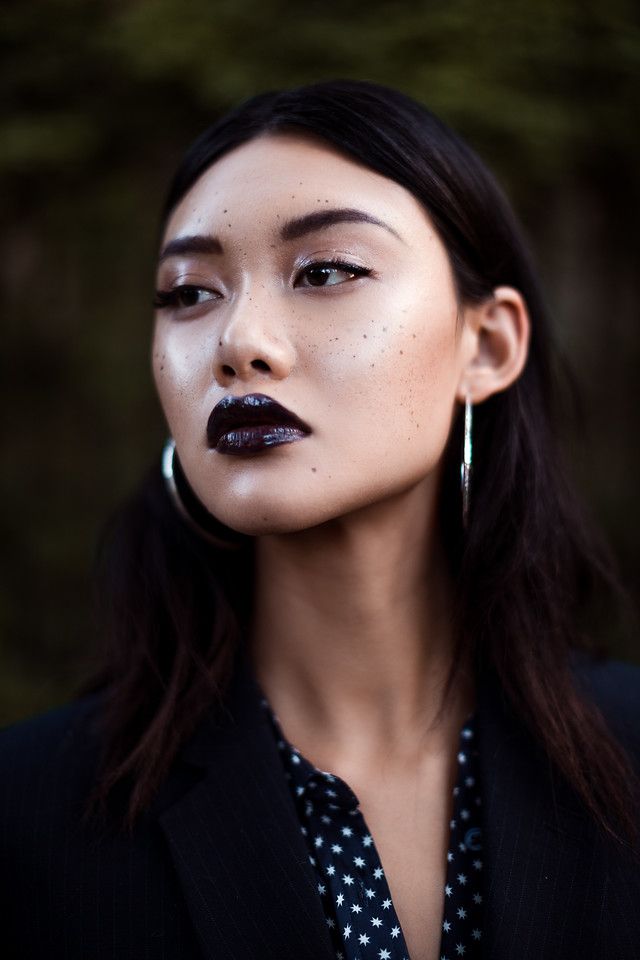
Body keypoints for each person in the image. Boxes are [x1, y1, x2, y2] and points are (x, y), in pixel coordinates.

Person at [1, 79, 639, 960]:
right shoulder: (27, 816)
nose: (239, 342)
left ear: (486, 346)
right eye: (189, 293)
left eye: (326, 272)